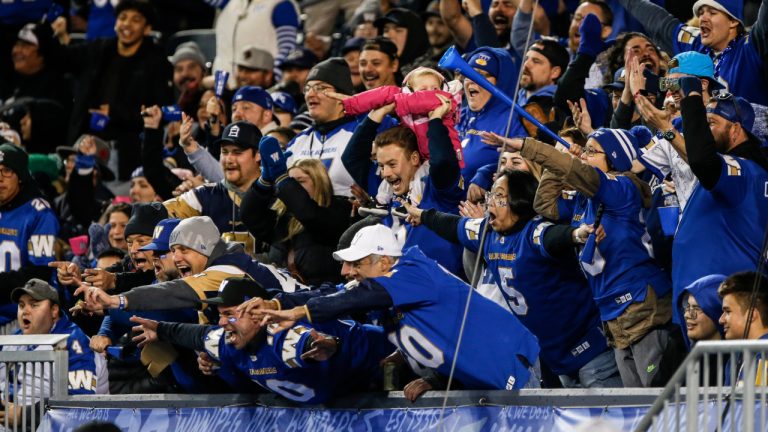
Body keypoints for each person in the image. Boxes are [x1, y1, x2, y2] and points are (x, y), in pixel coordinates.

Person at [252, 224, 541, 398]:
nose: (347, 271)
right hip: (481, 381)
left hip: (510, 366)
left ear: (384, 262)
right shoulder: (389, 294)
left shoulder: (412, 269)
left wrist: (297, 314)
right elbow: (332, 294)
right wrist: (276, 304)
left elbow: (352, 299)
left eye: (356, 263)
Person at [491, 129, 685, 387]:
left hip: (641, 305)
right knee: (633, 403)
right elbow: (544, 204)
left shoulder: (623, 187)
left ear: (614, 159)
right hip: (612, 313)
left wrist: (531, 148)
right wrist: (560, 163)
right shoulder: (584, 200)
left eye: (592, 151)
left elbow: (578, 173)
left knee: (656, 395)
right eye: (585, 149)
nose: (584, 155)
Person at [404, 170, 621, 388]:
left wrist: (575, 235)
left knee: (610, 409)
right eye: (491, 195)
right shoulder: (487, 233)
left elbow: (552, 237)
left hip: (590, 348)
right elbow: (452, 225)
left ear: (519, 200)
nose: (490, 203)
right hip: (556, 358)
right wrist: (422, 215)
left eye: (499, 196)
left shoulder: (533, 231)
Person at [130, 276, 393, 403]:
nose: (222, 323)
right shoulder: (228, 340)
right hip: (337, 394)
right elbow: (196, 335)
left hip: (383, 358)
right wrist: (160, 329)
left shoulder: (283, 337)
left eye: (230, 314)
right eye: (220, 315)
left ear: (256, 313)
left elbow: (313, 342)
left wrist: (329, 346)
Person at [78, 216, 304, 325]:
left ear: (205, 248)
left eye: (184, 250)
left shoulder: (226, 268)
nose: (176, 258)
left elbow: (174, 292)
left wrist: (116, 300)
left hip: (307, 322)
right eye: (173, 251)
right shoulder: (225, 262)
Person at [672, 80, 768, 327]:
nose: (704, 131)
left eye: (711, 123)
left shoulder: (744, 170)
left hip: (723, 307)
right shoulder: (743, 173)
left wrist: (692, 96)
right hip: (712, 302)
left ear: (735, 130)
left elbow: (702, 161)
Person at [52, 0, 174, 180]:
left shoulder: (156, 61)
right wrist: (56, 34)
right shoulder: (99, 49)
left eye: (135, 20)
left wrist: (115, 113)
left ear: (147, 29)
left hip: (126, 154)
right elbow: (60, 60)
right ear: (115, 23)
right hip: (84, 143)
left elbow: (159, 110)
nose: (127, 24)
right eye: (123, 18)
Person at [241, 138, 353, 285]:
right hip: (282, 293)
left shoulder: (338, 209)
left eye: (299, 181)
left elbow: (309, 214)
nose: (291, 186)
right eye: (289, 181)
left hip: (323, 294)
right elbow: (249, 215)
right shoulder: (282, 218)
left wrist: (282, 176)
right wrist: (264, 181)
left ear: (319, 182)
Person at [617, 0, 768, 106]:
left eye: (712, 13)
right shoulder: (696, 45)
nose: (703, 18)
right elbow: (658, 22)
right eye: (701, 13)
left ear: (733, 21)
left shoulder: (751, 47)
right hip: (700, 137)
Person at [0, 279, 107, 426]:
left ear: (54, 310)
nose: (25, 311)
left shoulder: (74, 343)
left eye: (34, 305)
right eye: (21, 305)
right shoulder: (13, 340)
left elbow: (79, 406)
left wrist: (25, 415)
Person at [286, 57, 395, 198]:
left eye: (320, 88)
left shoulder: (365, 130)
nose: (310, 94)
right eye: (307, 89)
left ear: (340, 96)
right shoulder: (298, 141)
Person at [166, 122, 261, 251]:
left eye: (237, 152)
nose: (229, 159)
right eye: (224, 152)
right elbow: (155, 214)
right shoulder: (203, 196)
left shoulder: (277, 196)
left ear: (258, 154)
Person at [339, 66, 463, 164]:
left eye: (435, 88)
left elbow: (427, 100)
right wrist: (350, 104)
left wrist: (399, 100)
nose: (430, 93)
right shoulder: (407, 108)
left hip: (450, 163)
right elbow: (384, 93)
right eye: (423, 90)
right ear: (409, 91)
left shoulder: (447, 100)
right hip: (421, 164)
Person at [0, 144, 58, 304]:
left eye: (7, 170)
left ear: (20, 176)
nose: (0, 177)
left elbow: (40, 274)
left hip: (22, 310)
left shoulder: (40, 214)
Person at [457, 46, 520, 182]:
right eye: (468, 74)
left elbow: (523, 166)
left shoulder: (514, 121)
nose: (472, 80)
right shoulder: (455, 116)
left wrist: (487, 174)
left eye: (481, 75)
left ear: (501, 83)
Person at [212, 0, 299, 86]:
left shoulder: (282, 5)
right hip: (224, 84)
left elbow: (287, 49)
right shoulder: (230, 2)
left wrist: (276, 82)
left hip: (262, 85)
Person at [718, 271, 768, 385]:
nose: (721, 319)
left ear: (751, 315)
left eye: (728, 311)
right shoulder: (736, 357)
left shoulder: (765, 354)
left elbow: (758, 397)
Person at [374, 8, 429, 76]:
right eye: (386, 30)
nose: (389, 36)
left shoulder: (427, 73)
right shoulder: (379, 70)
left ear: (414, 36)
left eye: (398, 30)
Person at [678, 274, 726, 345]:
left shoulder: (740, 351)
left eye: (697, 308)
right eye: (687, 307)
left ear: (718, 313)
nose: (686, 315)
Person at [168, 41, 206, 117]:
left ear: (203, 71)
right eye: (179, 69)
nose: (185, 74)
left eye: (191, 67)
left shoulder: (212, 98)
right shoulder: (165, 98)